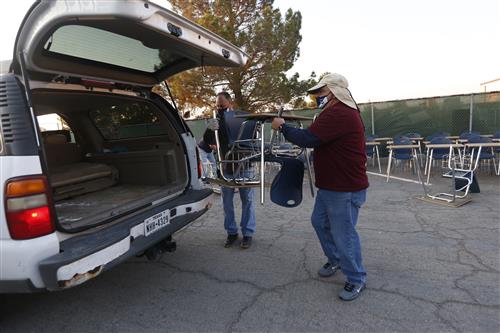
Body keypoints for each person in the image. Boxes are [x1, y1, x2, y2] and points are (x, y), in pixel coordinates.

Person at [271, 73, 369, 301]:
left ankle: (356, 278)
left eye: (320, 93)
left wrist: (283, 127)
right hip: (332, 186)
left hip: (343, 187)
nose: (316, 97)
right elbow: (314, 137)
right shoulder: (335, 112)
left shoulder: (340, 113)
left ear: (334, 92)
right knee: (320, 222)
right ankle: (336, 259)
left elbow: (308, 139)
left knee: (344, 233)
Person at [204, 92, 256, 249]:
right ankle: (231, 233)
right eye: (218, 106)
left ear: (230, 102)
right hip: (226, 166)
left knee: (247, 200)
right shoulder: (216, 120)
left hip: (244, 164)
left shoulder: (242, 118)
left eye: (222, 105)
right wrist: (209, 129)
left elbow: (253, 138)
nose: (220, 108)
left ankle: (248, 234)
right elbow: (207, 142)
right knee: (227, 202)